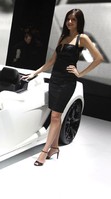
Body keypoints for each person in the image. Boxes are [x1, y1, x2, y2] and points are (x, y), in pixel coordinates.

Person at [22, 9, 103, 166]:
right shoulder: (63, 37)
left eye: (73, 19)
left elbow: (98, 58)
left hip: (67, 82)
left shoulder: (82, 38)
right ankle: (54, 147)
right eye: (68, 19)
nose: (70, 22)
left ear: (79, 21)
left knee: (55, 116)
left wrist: (80, 73)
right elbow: (51, 61)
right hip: (55, 79)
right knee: (55, 115)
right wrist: (35, 73)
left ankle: (44, 151)